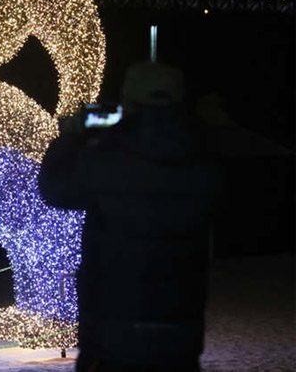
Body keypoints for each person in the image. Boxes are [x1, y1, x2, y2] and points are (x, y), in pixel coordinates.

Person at [38, 60, 221, 371]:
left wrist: (71, 138)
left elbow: (54, 190)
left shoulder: (104, 158)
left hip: (112, 332)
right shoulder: (204, 158)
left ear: (127, 100)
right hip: (178, 332)